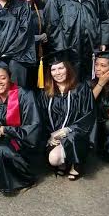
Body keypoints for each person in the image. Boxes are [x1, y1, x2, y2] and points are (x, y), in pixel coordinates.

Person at [0, 60, 40, 195]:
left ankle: (25, 179)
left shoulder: (25, 95)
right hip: (0, 139)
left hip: (23, 143)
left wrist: (4, 130)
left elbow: (33, 128)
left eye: (3, 78)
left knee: (0, 149)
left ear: (10, 78)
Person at [38, 50, 95, 180]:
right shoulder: (46, 93)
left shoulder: (81, 89)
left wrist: (66, 130)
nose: (57, 73)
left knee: (71, 140)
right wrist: (49, 136)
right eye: (53, 70)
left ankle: (77, 164)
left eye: (61, 68)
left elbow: (89, 116)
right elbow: (41, 118)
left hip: (74, 135)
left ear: (68, 68)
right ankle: (64, 161)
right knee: (54, 159)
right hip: (53, 136)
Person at [44, 0, 105, 79]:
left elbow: (103, 19)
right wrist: (62, 50)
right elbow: (53, 27)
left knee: (91, 81)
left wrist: (103, 41)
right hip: (69, 50)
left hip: (91, 48)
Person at [19, 0, 47, 89]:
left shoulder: (39, 5)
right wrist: (37, 38)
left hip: (38, 54)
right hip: (21, 57)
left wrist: (46, 34)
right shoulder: (15, 9)